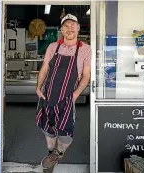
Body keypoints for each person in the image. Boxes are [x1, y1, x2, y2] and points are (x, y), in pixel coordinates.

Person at [35, 14, 91, 172]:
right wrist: (38, 87)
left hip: (68, 96)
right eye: (66, 26)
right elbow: (45, 68)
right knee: (48, 130)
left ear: (78, 27)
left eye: (73, 25)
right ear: (61, 30)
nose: (69, 28)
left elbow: (86, 75)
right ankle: (50, 155)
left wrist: (75, 95)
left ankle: (57, 154)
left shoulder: (85, 49)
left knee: (66, 133)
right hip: (48, 94)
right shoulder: (53, 47)